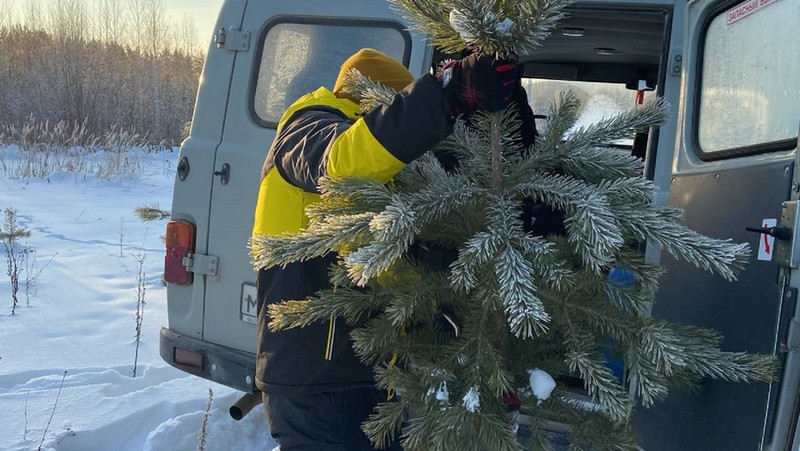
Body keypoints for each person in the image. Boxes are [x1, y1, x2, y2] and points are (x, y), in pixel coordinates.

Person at [251, 48, 521, 450]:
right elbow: (341, 160)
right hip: (314, 382)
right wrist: (443, 95)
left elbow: (401, 281)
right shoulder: (306, 128)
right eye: (390, 111)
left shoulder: (377, 185)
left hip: (369, 378)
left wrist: (479, 360)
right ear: (368, 103)